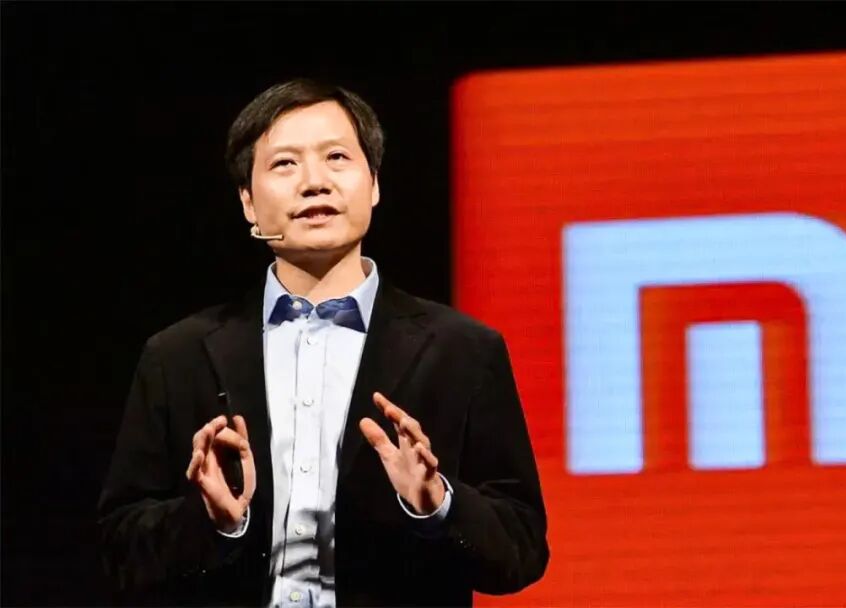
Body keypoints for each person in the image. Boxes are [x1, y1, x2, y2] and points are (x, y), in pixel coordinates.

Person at [97, 79, 549, 607]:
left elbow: (521, 549)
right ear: (248, 201)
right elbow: (119, 550)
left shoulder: (463, 350)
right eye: (285, 164)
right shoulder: (177, 356)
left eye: (336, 157)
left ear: (373, 183)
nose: (314, 182)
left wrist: (438, 505)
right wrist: (212, 522)